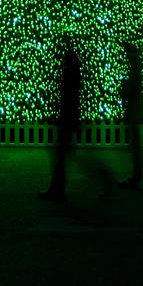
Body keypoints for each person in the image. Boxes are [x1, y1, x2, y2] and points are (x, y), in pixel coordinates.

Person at [39, 39, 82, 202]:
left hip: (67, 120)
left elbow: (68, 98)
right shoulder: (73, 73)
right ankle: (57, 189)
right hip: (68, 119)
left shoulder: (70, 74)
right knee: (60, 155)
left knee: (59, 155)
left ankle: (57, 190)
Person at [118, 41, 143, 191]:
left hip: (134, 112)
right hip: (135, 111)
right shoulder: (136, 66)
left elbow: (133, 90)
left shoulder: (135, 68)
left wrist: (124, 89)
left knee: (135, 148)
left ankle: (136, 178)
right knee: (135, 147)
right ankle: (136, 176)